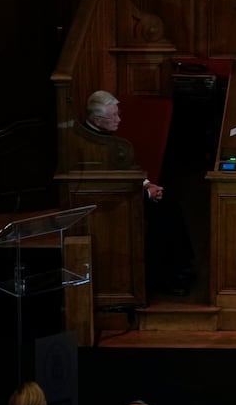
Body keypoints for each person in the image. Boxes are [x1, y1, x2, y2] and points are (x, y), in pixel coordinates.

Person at [80, 90, 195, 296]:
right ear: (97, 119)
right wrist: (145, 195)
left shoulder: (105, 137)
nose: (119, 119)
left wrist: (147, 184)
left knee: (171, 204)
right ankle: (168, 277)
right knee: (163, 216)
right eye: (113, 116)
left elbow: (126, 169)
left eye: (118, 113)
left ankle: (182, 270)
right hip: (108, 205)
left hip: (127, 192)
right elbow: (104, 185)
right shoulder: (88, 145)